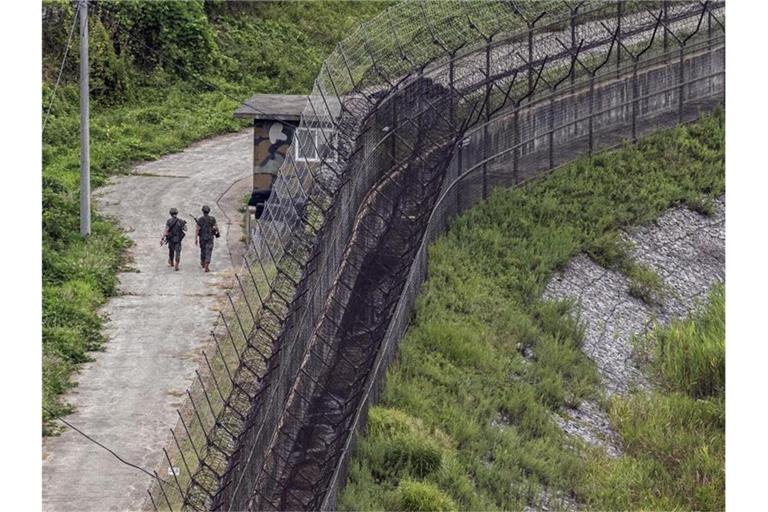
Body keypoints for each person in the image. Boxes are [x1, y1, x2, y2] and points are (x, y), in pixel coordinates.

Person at [195, 205, 220, 272]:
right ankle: (207, 264)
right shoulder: (212, 219)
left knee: (203, 250)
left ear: (202, 211)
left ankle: (203, 262)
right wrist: (218, 233)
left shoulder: (200, 219)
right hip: (210, 237)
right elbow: (216, 227)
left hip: (202, 238)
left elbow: (197, 230)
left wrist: (196, 239)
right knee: (209, 251)